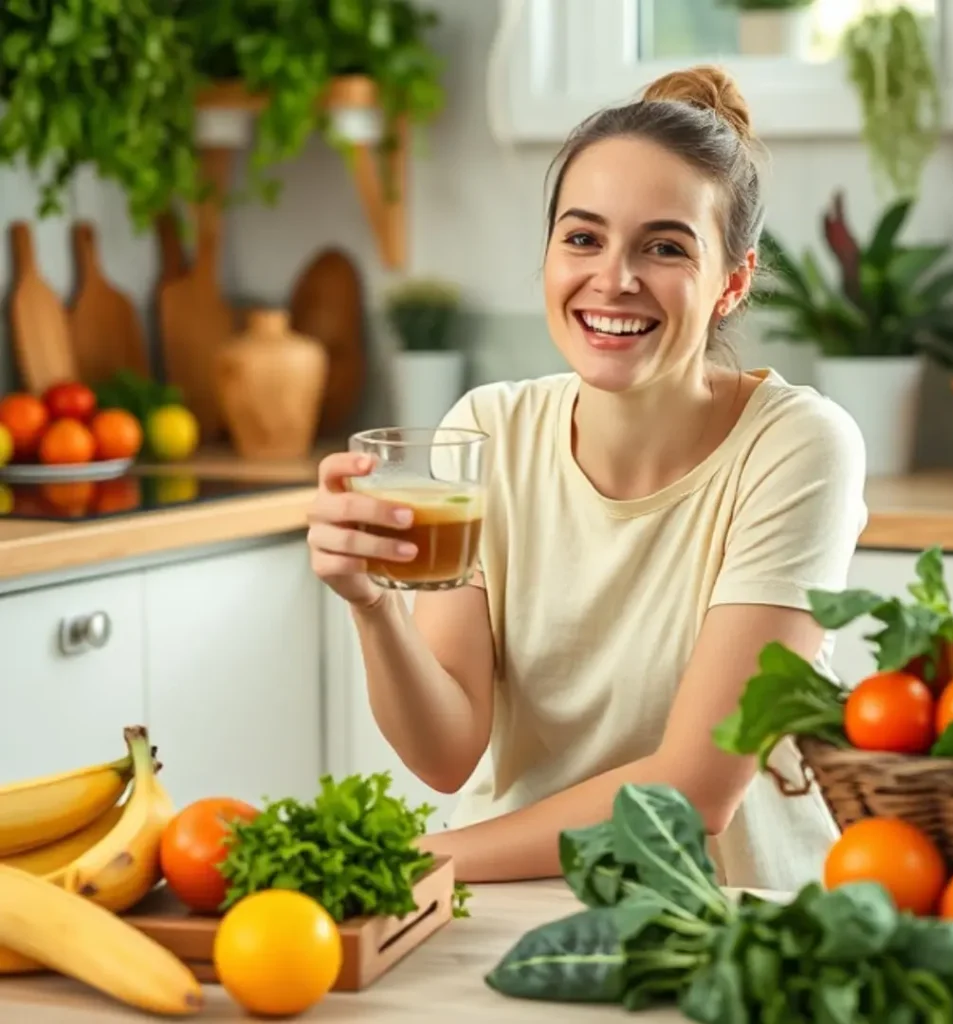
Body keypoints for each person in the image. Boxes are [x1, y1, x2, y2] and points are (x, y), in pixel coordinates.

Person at [307, 64, 867, 893]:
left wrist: (411, 862)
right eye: (583, 237)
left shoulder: (796, 446)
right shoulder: (486, 430)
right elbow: (445, 753)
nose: (614, 278)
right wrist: (373, 604)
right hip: (509, 901)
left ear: (733, 281)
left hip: (720, 914)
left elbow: (695, 789)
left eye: (666, 247)